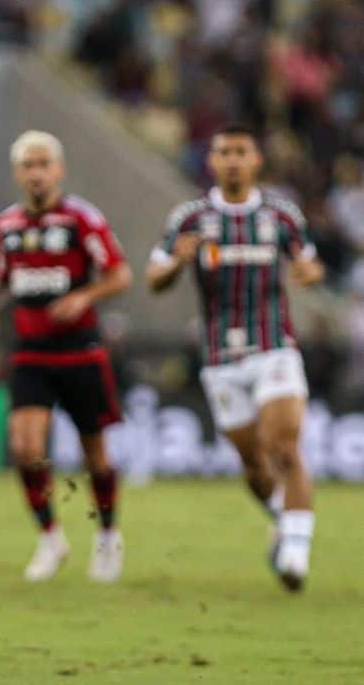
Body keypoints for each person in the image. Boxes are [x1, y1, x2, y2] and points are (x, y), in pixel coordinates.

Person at [147, 124, 323, 591]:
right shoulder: (190, 217)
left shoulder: (281, 215)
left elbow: (309, 261)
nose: (232, 160)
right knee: (253, 464)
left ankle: (296, 553)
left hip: (274, 348)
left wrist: (308, 271)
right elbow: (155, 276)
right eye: (223, 152)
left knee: (283, 444)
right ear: (212, 161)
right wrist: (177, 263)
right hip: (220, 356)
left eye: (241, 152)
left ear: (256, 160)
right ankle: (284, 521)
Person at [0, 130, 132, 584]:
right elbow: (1, 277)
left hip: (81, 352)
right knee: (26, 448)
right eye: (28, 165)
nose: (36, 172)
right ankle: (50, 537)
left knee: (95, 455)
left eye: (44, 164)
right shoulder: (6, 226)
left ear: (59, 169)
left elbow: (120, 274)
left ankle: (106, 535)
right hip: (31, 353)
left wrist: (84, 297)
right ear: (18, 172)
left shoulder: (81, 219)